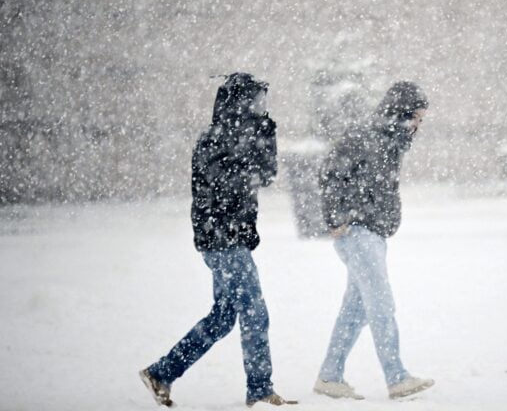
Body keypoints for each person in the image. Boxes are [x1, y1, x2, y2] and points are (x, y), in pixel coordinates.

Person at [139, 73, 297, 407]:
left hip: (233, 238)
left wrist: (268, 138)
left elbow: (265, 176)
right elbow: (228, 184)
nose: (260, 108)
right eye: (255, 101)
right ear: (239, 102)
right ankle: (260, 389)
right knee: (255, 312)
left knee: (224, 317)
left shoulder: (247, 135)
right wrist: (251, 149)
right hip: (221, 240)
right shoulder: (213, 139)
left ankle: (161, 373)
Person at [313, 81, 434, 400]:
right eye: (416, 116)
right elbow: (328, 173)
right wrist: (335, 219)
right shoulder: (365, 136)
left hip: (375, 234)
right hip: (357, 233)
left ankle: (329, 376)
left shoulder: (391, 141)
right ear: (401, 112)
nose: (418, 124)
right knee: (381, 303)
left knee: (356, 310)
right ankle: (396, 377)